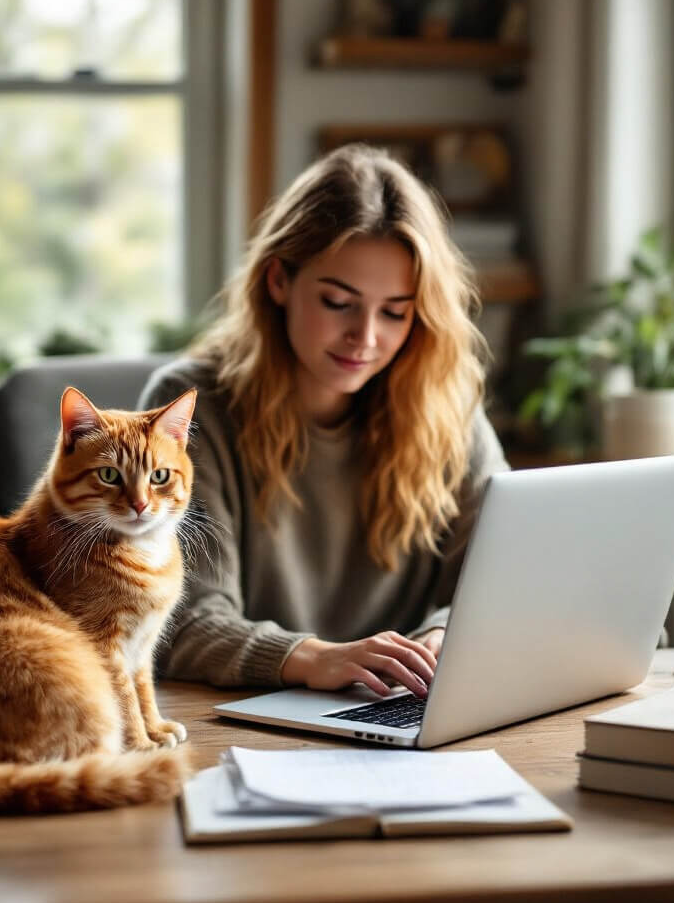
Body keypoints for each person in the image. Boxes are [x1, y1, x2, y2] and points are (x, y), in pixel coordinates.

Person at [139, 144, 508, 699]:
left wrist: (443, 634)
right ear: (278, 282)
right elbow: (178, 623)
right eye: (339, 302)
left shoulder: (445, 406)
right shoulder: (192, 408)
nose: (365, 338)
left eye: (395, 312)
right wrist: (313, 658)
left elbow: (501, 578)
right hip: (243, 717)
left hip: (402, 710)